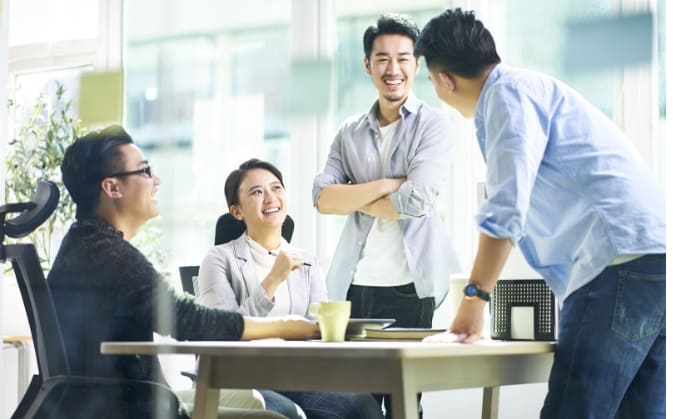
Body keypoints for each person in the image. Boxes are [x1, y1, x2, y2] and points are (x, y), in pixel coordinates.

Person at [415, 8, 666, 419]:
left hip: (616, 260)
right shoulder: (534, 87)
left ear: (445, 80)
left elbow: (506, 204)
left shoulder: (505, 95)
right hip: (654, 259)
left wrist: (474, 298)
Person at [48, 125, 319, 419]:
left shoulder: (89, 244)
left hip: (124, 400)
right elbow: (189, 320)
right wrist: (284, 325)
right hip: (127, 408)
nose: (156, 181)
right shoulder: (106, 254)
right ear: (112, 187)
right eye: (144, 171)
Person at [312, 13, 460, 417]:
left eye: (403, 58)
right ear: (367, 65)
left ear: (417, 64)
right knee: (353, 402)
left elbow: (415, 202)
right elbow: (323, 199)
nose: (392, 69)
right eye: (382, 59)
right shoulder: (349, 132)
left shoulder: (433, 126)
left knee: (404, 400)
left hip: (411, 285)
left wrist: (351, 196)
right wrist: (385, 185)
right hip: (354, 284)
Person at [199, 158, 383, 419]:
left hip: (296, 376)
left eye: (276, 188)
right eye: (257, 192)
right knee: (287, 414)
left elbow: (318, 326)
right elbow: (224, 331)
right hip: (239, 377)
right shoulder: (218, 259)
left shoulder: (307, 262)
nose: (270, 197)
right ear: (237, 211)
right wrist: (274, 278)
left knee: (361, 405)